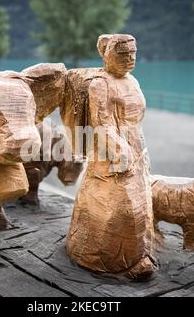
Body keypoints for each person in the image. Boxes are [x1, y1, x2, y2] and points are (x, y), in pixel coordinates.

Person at [66, 34, 157, 280]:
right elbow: (102, 123)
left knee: (142, 202)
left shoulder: (133, 81)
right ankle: (104, 258)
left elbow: (137, 118)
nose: (130, 59)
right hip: (112, 153)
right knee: (120, 206)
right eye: (123, 54)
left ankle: (139, 253)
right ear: (107, 55)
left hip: (137, 146)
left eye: (133, 54)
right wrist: (121, 152)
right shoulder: (100, 84)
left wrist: (138, 149)